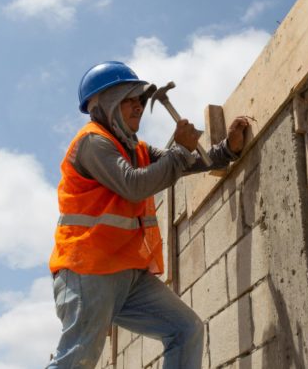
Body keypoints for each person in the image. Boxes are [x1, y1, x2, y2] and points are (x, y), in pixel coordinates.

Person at [46, 61, 249, 369]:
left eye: (140, 99)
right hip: (89, 269)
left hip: (129, 274)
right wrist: (181, 150)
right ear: (104, 104)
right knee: (77, 361)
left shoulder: (136, 149)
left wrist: (226, 151)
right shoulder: (93, 143)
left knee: (185, 329)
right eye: (129, 98)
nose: (138, 106)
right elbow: (133, 185)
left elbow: (182, 163)